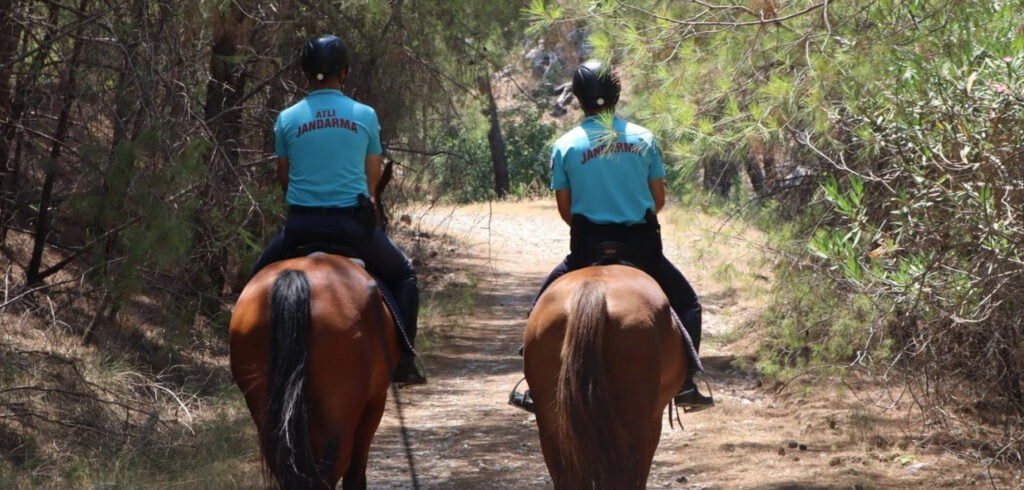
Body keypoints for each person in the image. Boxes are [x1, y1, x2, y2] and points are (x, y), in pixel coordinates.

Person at [513, 60, 712, 411]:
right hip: (642, 248)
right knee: (688, 304)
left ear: (578, 98)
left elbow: (566, 211)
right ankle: (685, 384)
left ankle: (533, 385)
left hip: (586, 247)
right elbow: (658, 201)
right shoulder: (644, 139)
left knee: (540, 309)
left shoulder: (565, 145)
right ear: (616, 94)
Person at [250, 34, 425, 385]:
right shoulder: (364, 115)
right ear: (343, 72)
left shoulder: (286, 119)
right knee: (405, 276)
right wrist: (366, 198)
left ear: (305, 73)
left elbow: (285, 178)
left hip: (300, 227)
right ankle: (404, 358)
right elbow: (372, 178)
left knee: (253, 285)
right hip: (351, 227)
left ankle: (246, 360)